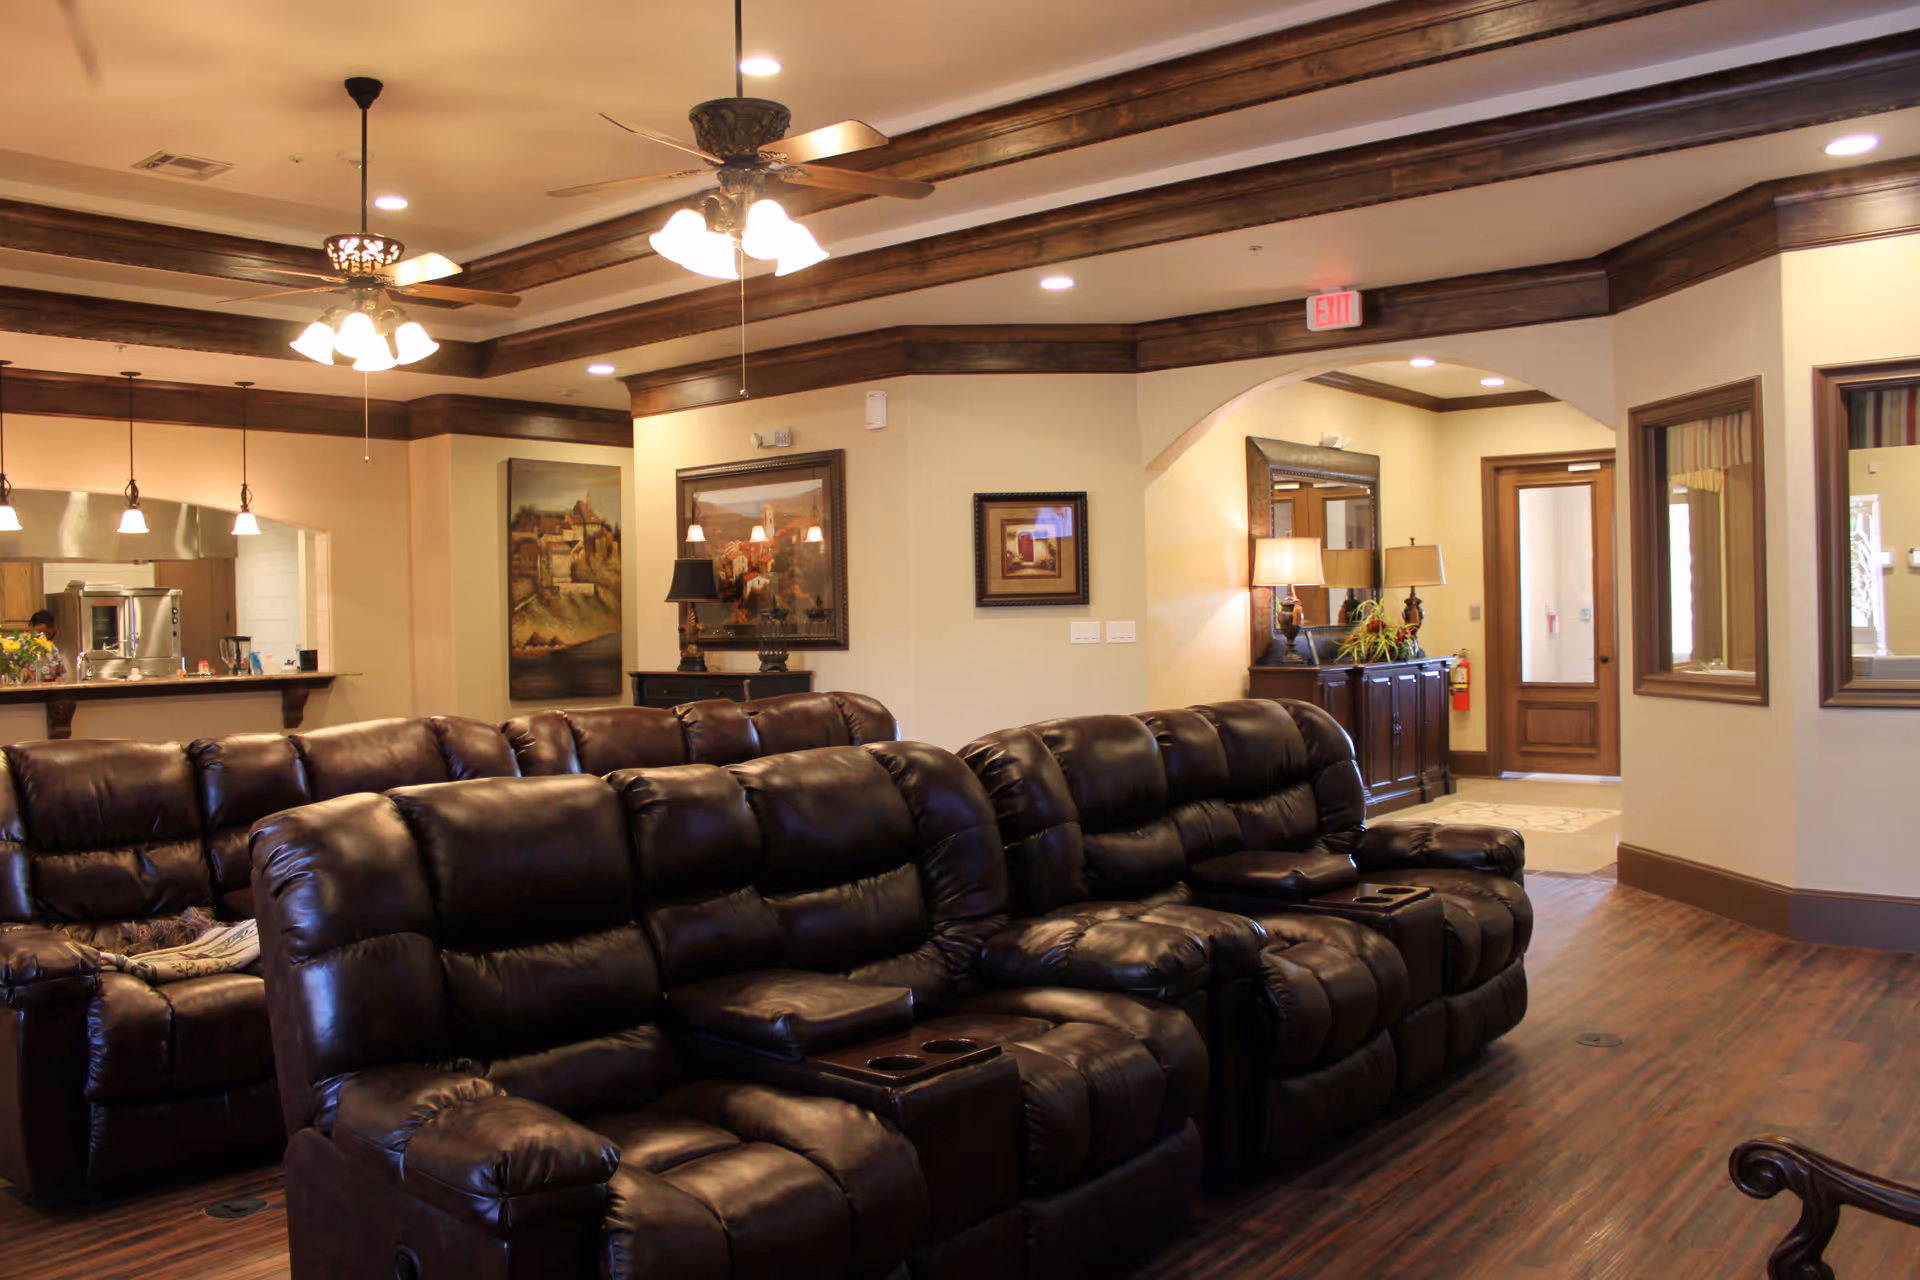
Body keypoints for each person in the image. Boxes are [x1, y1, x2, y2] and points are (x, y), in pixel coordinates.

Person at [28, 610, 67, 684]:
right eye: (38, 634)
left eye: (45, 634)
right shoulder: (24, 649)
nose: (41, 638)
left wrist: (59, 678)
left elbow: (59, 674)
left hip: (50, 692)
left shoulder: (53, 650)